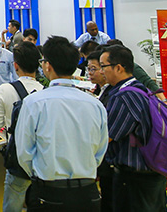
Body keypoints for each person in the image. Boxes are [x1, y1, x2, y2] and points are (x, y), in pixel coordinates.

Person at [15, 36, 108, 212]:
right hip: (87, 192)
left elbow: (24, 152)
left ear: (48, 66)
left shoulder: (34, 102)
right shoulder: (95, 104)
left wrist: (40, 173)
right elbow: (100, 150)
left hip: (48, 192)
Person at [99, 45, 166, 212]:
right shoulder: (141, 89)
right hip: (151, 171)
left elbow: (107, 137)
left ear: (118, 68)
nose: (101, 71)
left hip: (135, 177)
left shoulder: (125, 97)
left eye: (103, 66)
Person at [0, 41, 44, 212]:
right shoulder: (45, 91)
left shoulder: (5, 90)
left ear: (15, 65)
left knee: (12, 205)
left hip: (17, 159)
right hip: (42, 159)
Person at [103, 39, 167, 113]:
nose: (101, 71)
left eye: (103, 66)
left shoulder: (127, 94)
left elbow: (149, 83)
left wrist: (164, 101)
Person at [86, 49, 113, 212]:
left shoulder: (114, 94)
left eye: (94, 68)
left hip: (110, 161)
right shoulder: (100, 91)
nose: (90, 73)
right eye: (88, 69)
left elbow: (110, 133)